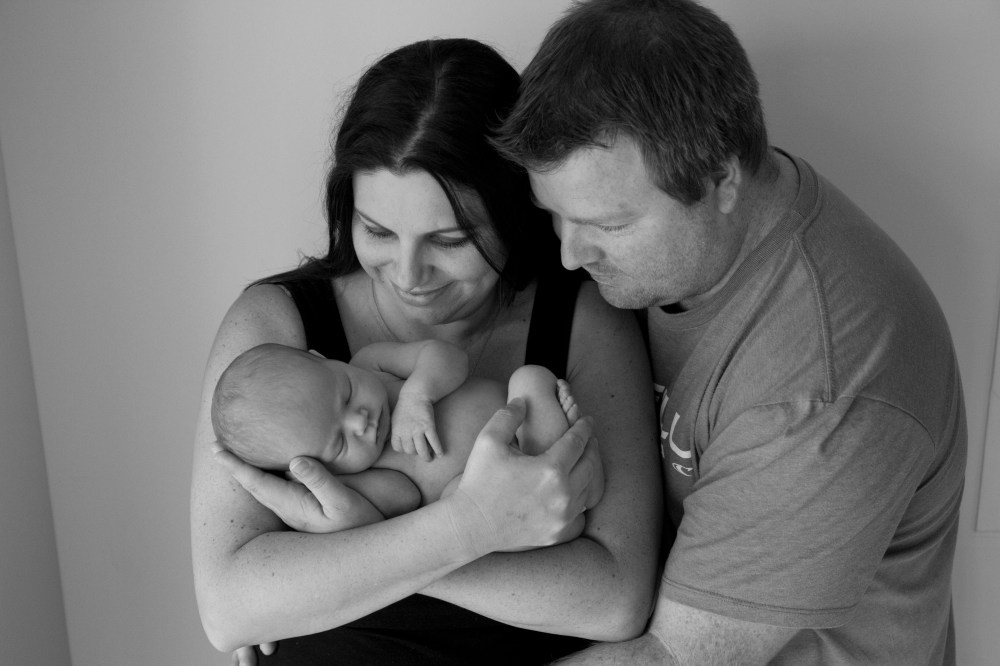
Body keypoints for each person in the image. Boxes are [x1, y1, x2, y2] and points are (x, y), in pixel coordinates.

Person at [493, 0, 968, 664]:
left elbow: (675, 658)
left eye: (609, 225)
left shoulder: (820, 387)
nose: (570, 255)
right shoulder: (707, 233)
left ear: (721, 180)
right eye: (555, 215)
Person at [190, 37, 662, 665]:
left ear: (516, 213)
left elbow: (616, 598)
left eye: (450, 239)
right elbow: (228, 608)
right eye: (377, 231)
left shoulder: (584, 319)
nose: (409, 275)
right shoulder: (277, 327)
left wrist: (353, 550)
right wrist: (471, 528)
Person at [211, 341, 581, 529]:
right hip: (503, 493)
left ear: (323, 358)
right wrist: (338, 489)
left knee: (530, 378)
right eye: (340, 443)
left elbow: (450, 356)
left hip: (524, 426)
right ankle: (569, 491)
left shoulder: (370, 361)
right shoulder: (359, 477)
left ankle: (558, 451)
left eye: (347, 394)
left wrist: (416, 395)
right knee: (461, 503)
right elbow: (405, 498)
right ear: (311, 468)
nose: (360, 421)